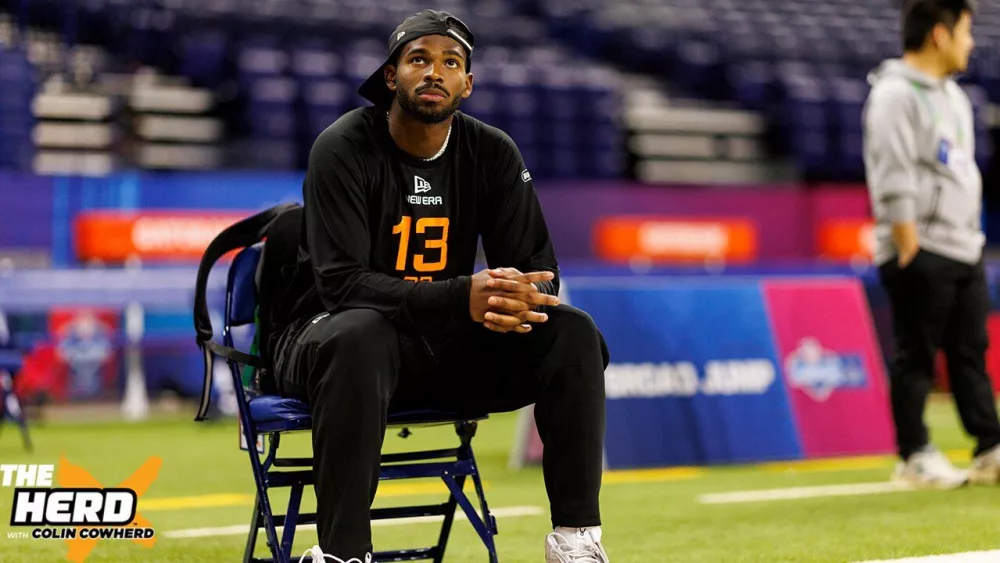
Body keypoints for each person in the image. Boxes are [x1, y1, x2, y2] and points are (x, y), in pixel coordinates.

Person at [272, 10, 612, 563]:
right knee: (361, 334)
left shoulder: (492, 151)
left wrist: (511, 299)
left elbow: (538, 272)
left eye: (451, 63)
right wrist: (461, 297)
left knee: (571, 331)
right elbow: (340, 285)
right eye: (419, 59)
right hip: (328, 343)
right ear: (391, 76)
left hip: (438, 347)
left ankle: (576, 540)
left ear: (467, 84)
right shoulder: (342, 146)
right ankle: (344, 553)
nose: (435, 72)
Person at [863, 0, 1000, 489]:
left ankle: (990, 447)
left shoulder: (957, 97)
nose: (971, 44)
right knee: (916, 356)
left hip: (963, 246)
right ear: (939, 35)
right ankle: (914, 454)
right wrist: (909, 249)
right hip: (920, 247)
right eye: (965, 32)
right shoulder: (894, 95)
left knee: (970, 352)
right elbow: (892, 175)